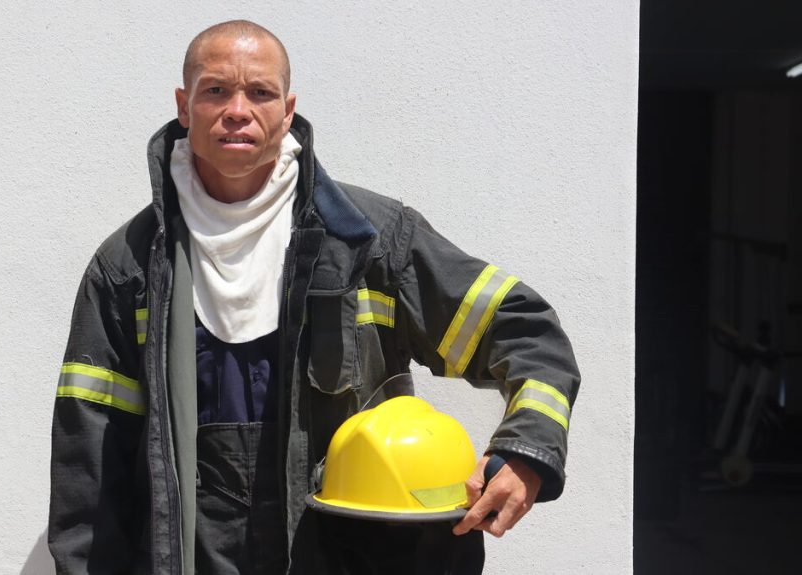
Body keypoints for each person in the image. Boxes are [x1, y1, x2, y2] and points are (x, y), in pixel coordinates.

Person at [49, 19, 579, 575]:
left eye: (260, 92)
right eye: (216, 90)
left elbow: (526, 332)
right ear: (184, 106)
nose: (237, 109)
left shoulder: (370, 242)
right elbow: (89, 473)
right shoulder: (128, 269)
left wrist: (527, 451)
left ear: (287, 109)